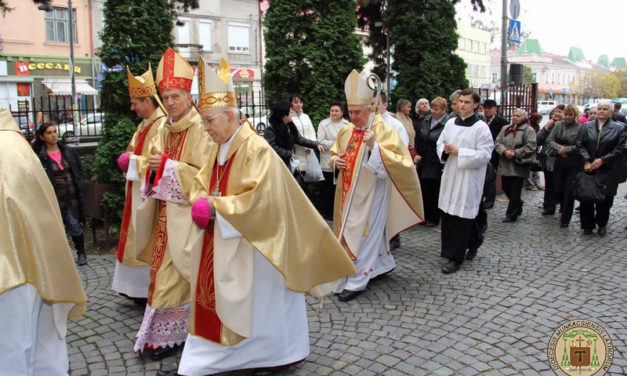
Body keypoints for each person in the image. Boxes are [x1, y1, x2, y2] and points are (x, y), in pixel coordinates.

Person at [155, 57, 356, 376]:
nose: (204, 129)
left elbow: (261, 201)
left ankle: (274, 355)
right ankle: (200, 364)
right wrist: (192, 191)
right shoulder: (217, 145)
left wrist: (217, 209)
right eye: (204, 121)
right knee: (229, 303)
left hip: (260, 246)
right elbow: (202, 181)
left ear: (230, 116)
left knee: (265, 305)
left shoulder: (255, 149)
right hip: (228, 240)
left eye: (208, 121)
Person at [132, 47, 212, 359]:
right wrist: (151, 166)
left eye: (175, 96)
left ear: (189, 96)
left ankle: (179, 332)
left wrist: (168, 167)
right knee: (163, 272)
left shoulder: (200, 128)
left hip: (187, 213)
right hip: (164, 211)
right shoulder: (163, 127)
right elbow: (148, 162)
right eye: (165, 97)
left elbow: (203, 175)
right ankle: (165, 334)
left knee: (183, 270)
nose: (170, 103)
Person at [0, 108, 87, 375]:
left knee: (13, 348)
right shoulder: (16, 144)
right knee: (43, 341)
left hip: (10, 269)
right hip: (38, 262)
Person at [329, 70, 424, 302]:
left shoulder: (382, 130)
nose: (353, 117)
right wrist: (335, 162)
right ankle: (382, 264)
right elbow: (334, 153)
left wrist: (374, 147)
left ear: (369, 109)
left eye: (357, 112)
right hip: (349, 192)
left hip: (374, 192)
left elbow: (401, 162)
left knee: (365, 235)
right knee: (354, 233)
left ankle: (358, 280)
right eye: (350, 112)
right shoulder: (346, 130)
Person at [112, 65, 168, 304]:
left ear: (148, 101)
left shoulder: (162, 124)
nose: (132, 107)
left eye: (136, 102)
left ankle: (146, 289)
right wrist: (131, 160)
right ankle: (135, 289)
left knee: (145, 236)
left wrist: (134, 162)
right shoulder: (144, 124)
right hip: (135, 190)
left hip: (148, 194)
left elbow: (160, 159)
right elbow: (134, 151)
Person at [437, 89, 493, 274]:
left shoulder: (481, 127)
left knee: (463, 216)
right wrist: (444, 150)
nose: (462, 105)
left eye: (467, 102)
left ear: (476, 105)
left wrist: (460, 152)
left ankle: (456, 257)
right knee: (449, 214)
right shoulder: (451, 123)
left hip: (468, 178)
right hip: (451, 173)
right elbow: (440, 142)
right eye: (460, 101)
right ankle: (452, 248)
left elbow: (485, 155)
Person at [34, 122, 88, 265]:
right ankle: (59, 256)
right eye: (49, 133)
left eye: (54, 132)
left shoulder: (68, 151)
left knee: (75, 223)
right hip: (55, 197)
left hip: (72, 195)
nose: (53, 135)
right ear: (42, 137)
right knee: (56, 228)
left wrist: (80, 185)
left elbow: (78, 170)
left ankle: (81, 251)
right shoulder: (41, 157)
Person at [576, 100, 626, 235]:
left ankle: (602, 223)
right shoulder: (586, 126)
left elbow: (620, 148)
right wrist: (586, 161)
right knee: (586, 197)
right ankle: (587, 225)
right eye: (599, 109)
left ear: (610, 112)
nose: (601, 111)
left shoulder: (618, 128)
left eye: (605, 109)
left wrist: (603, 160)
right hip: (589, 167)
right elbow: (579, 144)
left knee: (605, 199)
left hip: (608, 169)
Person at [371, 92, 410, 250]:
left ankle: (393, 237)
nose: (372, 107)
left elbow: (402, 150)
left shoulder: (395, 125)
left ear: (385, 105)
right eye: (370, 104)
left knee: (388, 209)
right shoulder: (367, 123)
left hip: (388, 173)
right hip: (370, 175)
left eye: (376, 103)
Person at [263, 100, 323, 182]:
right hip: (276, 165)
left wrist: (315, 144)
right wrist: (288, 154)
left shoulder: (288, 125)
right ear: (284, 116)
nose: (291, 115)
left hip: (288, 164)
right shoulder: (271, 129)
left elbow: (297, 138)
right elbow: (272, 147)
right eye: (290, 113)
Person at [494, 108, 537, 222]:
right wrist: (504, 151)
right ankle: (518, 203)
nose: (514, 117)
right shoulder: (506, 129)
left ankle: (511, 214)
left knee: (515, 190)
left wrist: (515, 153)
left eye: (517, 116)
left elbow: (531, 146)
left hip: (518, 165)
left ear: (523, 117)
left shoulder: (528, 130)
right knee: (505, 187)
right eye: (513, 115)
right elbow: (497, 142)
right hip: (505, 163)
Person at [414, 96, 449, 227]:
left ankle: (434, 217)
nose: (433, 111)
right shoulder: (426, 120)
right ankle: (423, 216)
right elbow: (419, 138)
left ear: (444, 110)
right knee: (423, 190)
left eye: (437, 109)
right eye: (432, 108)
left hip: (436, 162)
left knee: (435, 192)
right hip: (424, 161)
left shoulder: (447, 124)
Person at [546, 104, 582, 227]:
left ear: (575, 115)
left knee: (569, 191)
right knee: (558, 188)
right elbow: (550, 140)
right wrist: (558, 149)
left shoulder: (579, 128)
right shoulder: (558, 126)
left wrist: (566, 150)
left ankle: (565, 218)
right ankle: (561, 204)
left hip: (572, 162)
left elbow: (580, 145)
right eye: (565, 114)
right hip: (559, 161)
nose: (567, 117)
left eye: (570, 115)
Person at [317, 100, 349, 218]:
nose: (334, 113)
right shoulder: (323, 124)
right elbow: (321, 141)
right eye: (332, 111)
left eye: (336, 111)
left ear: (341, 112)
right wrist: (338, 143)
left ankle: (339, 211)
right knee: (328, 189)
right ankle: (328, 212)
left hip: (342, 161)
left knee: (339, 189)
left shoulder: (347, 125)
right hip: (327, 161)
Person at [537, 104, 565, 215]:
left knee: (560, 184)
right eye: (555, 111)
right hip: (548, 159)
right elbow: (537, 140)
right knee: (549, 184)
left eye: (560, 111)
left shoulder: (566, 126)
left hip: (561, 159)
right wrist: (546, 127)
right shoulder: (549, 125)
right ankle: (549, 206)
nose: (557, 113)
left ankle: (563, 204)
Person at [482, 99, 509, 209]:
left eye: (490, 108)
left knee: (490, 177)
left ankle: (489, 200)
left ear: (495, 109)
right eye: (485, 108)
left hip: (494, 153)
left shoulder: (502, 122)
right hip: (482, 151)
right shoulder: (480, 120)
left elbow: (504, 139)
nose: (487, 110)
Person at [290, 94, 317, 172]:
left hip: (309, 152)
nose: (299, 104)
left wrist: (311, 145)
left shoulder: (306, 117)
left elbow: (312, 132)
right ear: (291, 103)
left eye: (300, 102)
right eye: (296, 102)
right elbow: (293, 137)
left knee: (308, 177)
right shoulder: (290, 118)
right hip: (297, 152)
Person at [526, 112, 543, 190]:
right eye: (538, 119)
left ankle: (537, 183)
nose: (539, 121)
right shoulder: (529, 126)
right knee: (530, 167)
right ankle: (530, 184)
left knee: (536, 166)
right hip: (530, 148)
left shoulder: (537, 126)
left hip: (535, 148)